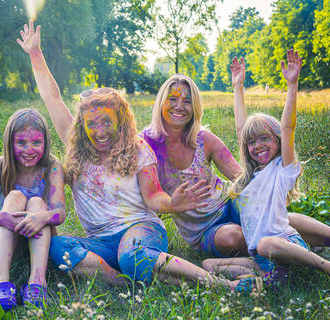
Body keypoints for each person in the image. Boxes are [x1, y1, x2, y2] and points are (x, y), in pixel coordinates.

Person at [16, 20, 255, 293]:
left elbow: (154, 196)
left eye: (107, 122)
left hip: (141, 229)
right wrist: (36, 54)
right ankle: (120, 282)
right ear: (83, 125)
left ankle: (222, 285)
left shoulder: (137, 147)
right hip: (101, 241)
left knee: (132, 255)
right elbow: (53, 99)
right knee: (56, 247)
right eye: (92, 124)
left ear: (120, 120)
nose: (100, 131)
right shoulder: (77, 148)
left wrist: (174, 203)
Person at [140, 64, 330, 268]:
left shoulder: (204, 138)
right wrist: (173, 204)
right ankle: (288, 252)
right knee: (233, 237)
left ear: (195, 107)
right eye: (172, 99)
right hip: (203, 230)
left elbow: (242, 173)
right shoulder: (146, 144)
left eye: (187, 101)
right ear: (161, 102)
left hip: (229, 203)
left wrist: (269, 189)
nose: (179, 106)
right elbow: (148, 194)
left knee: (272, 216)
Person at [202, 51, 330, 289]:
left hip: (282, 243)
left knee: (265, 244)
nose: (258, 145)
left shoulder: (282, 169)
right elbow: (241, 128)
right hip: (261, 256)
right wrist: (238, 86)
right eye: (252, 142)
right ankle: (274, 275)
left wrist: (292, 85)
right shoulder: (251, 175)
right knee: (209, 265)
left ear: (277, 141)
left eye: (265, 139)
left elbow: (287, 127)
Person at [0, 108, 66, 310]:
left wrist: (40, 218)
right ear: (10, 143)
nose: (29, 149)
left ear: (45, 143)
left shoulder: (53, 167)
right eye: (21, 143)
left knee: (36, 203)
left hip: (42, 243)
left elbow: (60, 213)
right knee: (15, 196)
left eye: (36, 142)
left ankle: (38, 284)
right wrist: (5, 218)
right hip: (7, 244)